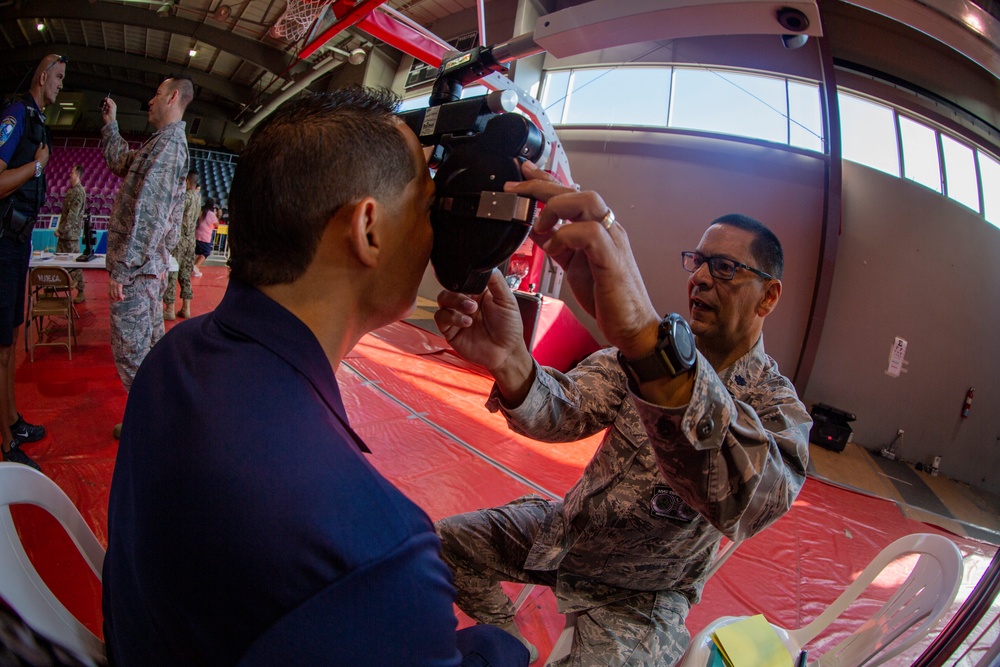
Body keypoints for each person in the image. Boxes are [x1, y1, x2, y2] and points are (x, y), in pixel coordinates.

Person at [102, 86, 528, 667]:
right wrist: (507, 648)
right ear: (368, 229)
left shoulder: (172, 357)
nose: (434, 236)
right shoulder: (378, 553)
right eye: (428, 208)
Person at [434, 163, 812, 666]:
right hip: (566, 537)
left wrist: (651, 347)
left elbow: (750, 502)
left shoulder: (776, 408)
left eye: (724, 268)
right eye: (697, 262)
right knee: (443, 546)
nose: (699, 277)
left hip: (642, 598)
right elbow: (563, 413)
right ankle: (512, 642)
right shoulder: (630, 362)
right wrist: (512, 362)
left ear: (769, 295)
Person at [100, 74, 191, 439]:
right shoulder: (161, 144)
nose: (150, 102)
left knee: (133, 355)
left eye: (155, 95)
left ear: (171, 97)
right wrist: (111, 124)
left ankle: (154, 432)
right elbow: (123, 161)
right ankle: (155, 421)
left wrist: (122, 271)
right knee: (149, 354)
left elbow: (148, 217)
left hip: (137, 273)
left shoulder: (169, 147)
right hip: (146, 270)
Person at [0, 53, 66, 471]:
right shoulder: (15, 114)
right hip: (3, 243)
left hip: (16, 244)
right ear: (43, 77)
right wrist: (35, 167)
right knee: (0, 350)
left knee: (8, 345)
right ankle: (5, 444)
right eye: (59, 77)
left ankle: (11, 420)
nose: (61, 84)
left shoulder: (35, 119)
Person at [163, 169, 199, 320]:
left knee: (173, 272)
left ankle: (169, 309)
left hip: (179, 240)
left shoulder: (183, 198)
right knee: (185, 273)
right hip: (191, 240)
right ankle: (186, 308)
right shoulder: (198, 198)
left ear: (186, 181)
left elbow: (174, 218)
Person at [54, 163, 87, 303]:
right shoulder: (71, 191)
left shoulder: (79, 192)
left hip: (71, 236)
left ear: (78, 175)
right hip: (64, 235)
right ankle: (53, 289)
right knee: (57, 262)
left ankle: (81, 291)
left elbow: (72, 216)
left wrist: (60, 230)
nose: (69, 174)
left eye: (72, 172)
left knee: (75, 264)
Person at [191, 195, 217, 277]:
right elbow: (217, 224)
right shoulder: (211, 214)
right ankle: (196, 266)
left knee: (198, 253)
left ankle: (194, 268)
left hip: (197, 234)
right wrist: (215, 214)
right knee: (206, 252)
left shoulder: (202, 212)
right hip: (205, 236)